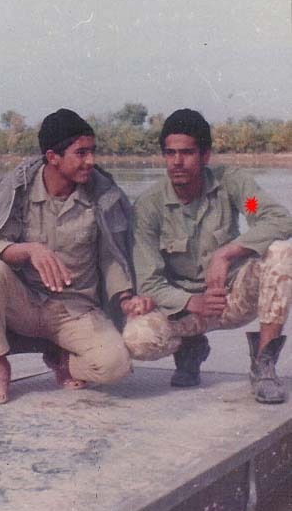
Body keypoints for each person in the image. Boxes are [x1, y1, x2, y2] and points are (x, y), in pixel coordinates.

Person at [0, 108, 154, 404]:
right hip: (25, 304)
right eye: (81, 153)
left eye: (92, 151)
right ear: (52, 157)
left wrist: (125, 298)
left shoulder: (102, 194)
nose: (91, 161)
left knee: (116, 366)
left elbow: (112, 257)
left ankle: (63, 362)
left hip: (75, 310)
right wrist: (29, 250)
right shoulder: (18, 189)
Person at [123, 108, 292, 403]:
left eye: (187, 153)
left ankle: (263, 364)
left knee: (282, 252)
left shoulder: (234, 185)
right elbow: (148, 282)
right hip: (183, 309)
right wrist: (191, 302)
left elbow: (275, 218)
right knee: (138, 340)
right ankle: (190, 348)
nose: (177, 162)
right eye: (170, 153)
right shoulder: (149, 207)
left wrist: (226, 253)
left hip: (230, 298)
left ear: (205, 155)